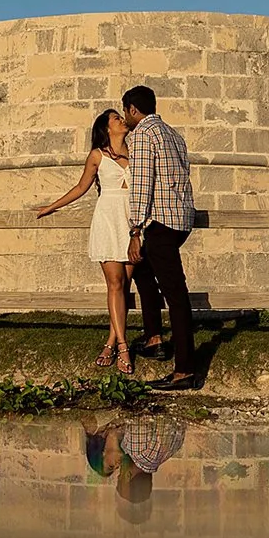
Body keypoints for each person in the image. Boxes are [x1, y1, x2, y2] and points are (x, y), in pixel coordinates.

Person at [34, 109, 135, 374]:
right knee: (114, 283)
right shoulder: (97, 156)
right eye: (116, 118)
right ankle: (123, 346)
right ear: (106, 127)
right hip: (108, 219)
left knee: (125, 284)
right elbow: (81, 188)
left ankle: (111, 341)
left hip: (132, 221)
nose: (121, 120)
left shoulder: (136, 153)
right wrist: (51, 207)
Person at [122, 84, 198, 391]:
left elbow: (142, 183)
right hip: (180, 221)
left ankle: (185, 370)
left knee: (177, 297)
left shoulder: (141, 135)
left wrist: (135, 230)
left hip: (161, 223)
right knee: (141, 268)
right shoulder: (173, 134)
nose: (125, 116)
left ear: (133, 110)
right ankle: (153, 338)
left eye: (125, 110)